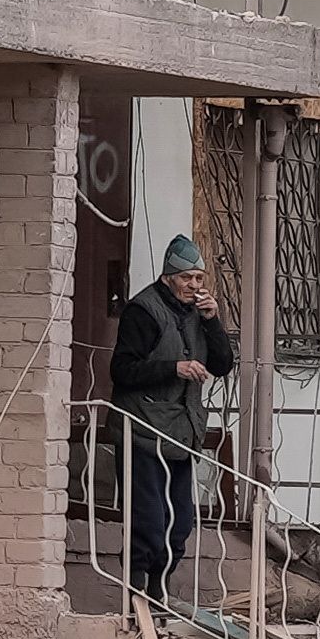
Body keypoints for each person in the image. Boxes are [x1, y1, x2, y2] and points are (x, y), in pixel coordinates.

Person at [110, 234, 236, 606]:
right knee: (147, 520)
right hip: (143, 430)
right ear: (168, 278)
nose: (194, 287)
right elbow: (121, 370)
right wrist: (173, 369)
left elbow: (222, 364)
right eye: (186, 279)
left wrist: (213, 323)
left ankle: (159, 590)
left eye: (199, 278)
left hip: (182, 434)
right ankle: (136, 597)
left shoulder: (199, 313)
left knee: (180, 522)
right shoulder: (143, 311)